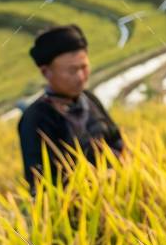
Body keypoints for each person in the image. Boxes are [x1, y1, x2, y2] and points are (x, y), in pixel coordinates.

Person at [18, 24, 125, 194]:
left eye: (84, 67)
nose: (81, 77)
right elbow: (40, 184)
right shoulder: (36, 118)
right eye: (72, 71)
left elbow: (117, 140)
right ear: (46, 72)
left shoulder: (89, 99)